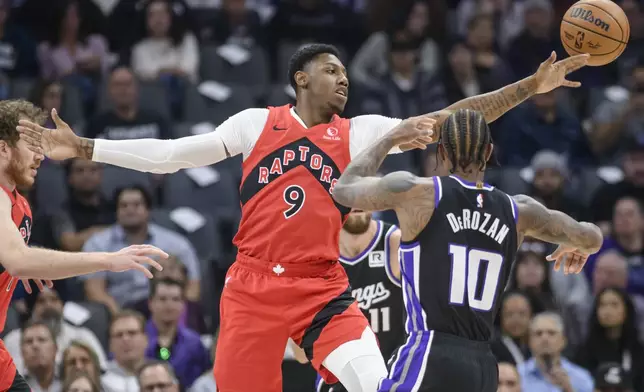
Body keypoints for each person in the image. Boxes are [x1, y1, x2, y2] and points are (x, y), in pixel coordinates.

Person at [17, 45, 588, 392]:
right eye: (331, 70)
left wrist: (529, 88)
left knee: (378, 384)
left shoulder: (362, 130)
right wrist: (89, 148)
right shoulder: (253, 123)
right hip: (251, 287)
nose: (343, 79)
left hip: (324, 288)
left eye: (346, 71)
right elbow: (171, 155)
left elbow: (453, 119)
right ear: (302, 79)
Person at [331, 108, 603, 391]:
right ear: (488, 152)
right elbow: (592, 237)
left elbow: (344, 189)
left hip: (431, 352)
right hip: (483, 365)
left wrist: (390, 138)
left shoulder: (419, 193)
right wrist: (576, 244)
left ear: (443, 153)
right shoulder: (519, 211)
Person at [0, 99, 166, 392]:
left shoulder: (21, 206)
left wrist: (26, 263)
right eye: (32, 145)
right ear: (3, 149)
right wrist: (107, 260)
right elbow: (17, 259)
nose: (41, 156)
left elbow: (17, 259)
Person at [307, 210, 406, 392]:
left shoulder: (395, 243)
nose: (357, 200)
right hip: (338, 382)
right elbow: (301, 355)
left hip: (391, 376)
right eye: (350, 191)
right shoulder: (316, 256)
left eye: (363, 186)